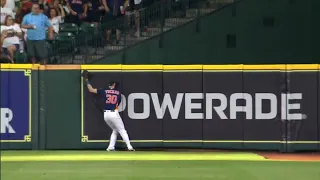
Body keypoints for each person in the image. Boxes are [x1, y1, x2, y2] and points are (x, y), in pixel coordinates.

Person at [84, 76, 135, 151]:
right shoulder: (118, 94)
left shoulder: (104, 91)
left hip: (106, 115)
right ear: (114, 85)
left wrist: (86, 80)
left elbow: (91, 90)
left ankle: (110, 147)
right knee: (122, 130)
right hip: (113, 113)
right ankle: (129, 146)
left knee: (115, 130)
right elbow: (117, 104)